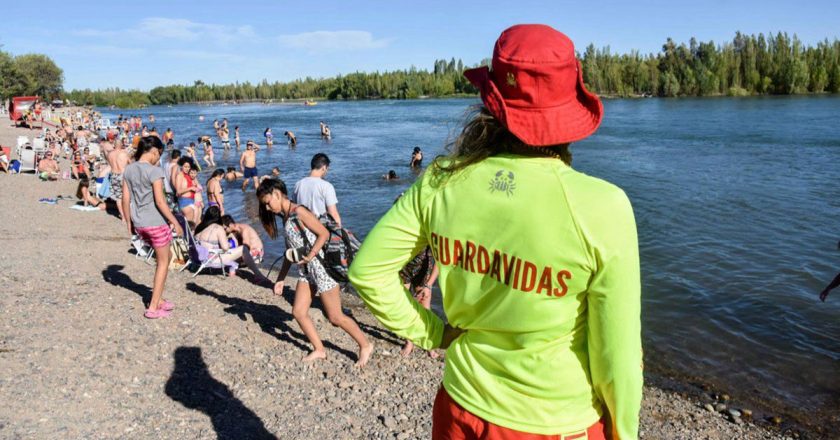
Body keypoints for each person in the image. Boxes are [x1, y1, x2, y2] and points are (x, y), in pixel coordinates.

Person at [348, 25, 642, 440]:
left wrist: (432, 332)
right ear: (568, 109)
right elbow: (619, 356)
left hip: (459, 407)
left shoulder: (439, 181)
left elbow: (368, 271)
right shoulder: (603, 206)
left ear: (491, 105)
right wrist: (625, 432)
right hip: (554, 422)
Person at [257, 178, 374, 367]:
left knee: (335, 316)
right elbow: (290, 253)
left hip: (321, 270)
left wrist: (311, 255)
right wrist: (280, 279)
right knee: (299, 312)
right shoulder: (287, 217)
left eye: (268, 203)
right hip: (306, 272)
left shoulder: (299, 212)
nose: (268, 208)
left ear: (277, 194)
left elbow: (324, 233)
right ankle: (319, 349)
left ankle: (365, 345)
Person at [122, 136, 184, 319]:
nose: (159, 159)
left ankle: (158, 297)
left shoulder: (129, 170)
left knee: (166, 258)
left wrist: (129, 223)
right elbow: (160, 201)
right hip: (156, 222)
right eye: (159, 155)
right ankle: (153, 307)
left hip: (140, 223)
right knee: (164, 263)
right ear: (154, 151)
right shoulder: (155, 172)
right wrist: (175, 221)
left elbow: (126, 199)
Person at [293, 153, 341, 227]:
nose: (326, 172)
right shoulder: (326, 186)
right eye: (327, 169)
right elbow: (333, 214)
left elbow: (294, 209)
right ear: (324, 168)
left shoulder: (298, 184)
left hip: (303, 230)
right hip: (321, 230)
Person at [221, 215, 271, 284]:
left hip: (257, 253)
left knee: (232, 256)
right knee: (230, 255)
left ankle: (259, 276)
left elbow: (246, 247)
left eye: (225, 229)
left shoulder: (244, 230)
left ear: (230, 225)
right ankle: (234, 268)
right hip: (250, 251)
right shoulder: (235, 231)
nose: (224, 231)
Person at [194, 206, 243, 276]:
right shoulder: (218, 228)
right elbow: (225, 248)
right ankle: (256, 273)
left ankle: (233, 267)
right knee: (244, 248)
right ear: (218, 217)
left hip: (198, 257)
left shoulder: (199, 227)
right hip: (212, 260)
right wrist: (230, 243)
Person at [107, 138, 130, 224]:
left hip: (113, 175)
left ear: (114, 145)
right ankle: (128, 215)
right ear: (121, 145)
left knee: (118, 197)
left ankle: (123, 217)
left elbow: (110, 164)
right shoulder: (124, 153)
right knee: (127, 196)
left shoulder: (110, 154)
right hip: (123, 175)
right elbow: (130, 163)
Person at [175, 157, 200, 226]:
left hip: (192, 201)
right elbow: (178, 191)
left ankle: (190, 235)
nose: (187, 168)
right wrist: (190, 188)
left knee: (195, 222)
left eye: (188, 167)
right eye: (185, 166)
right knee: (190, 224)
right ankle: (188, 236)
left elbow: (198, 185)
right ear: (181, 166)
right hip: (185, 201)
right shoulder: (180, 175)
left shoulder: (189, 175)